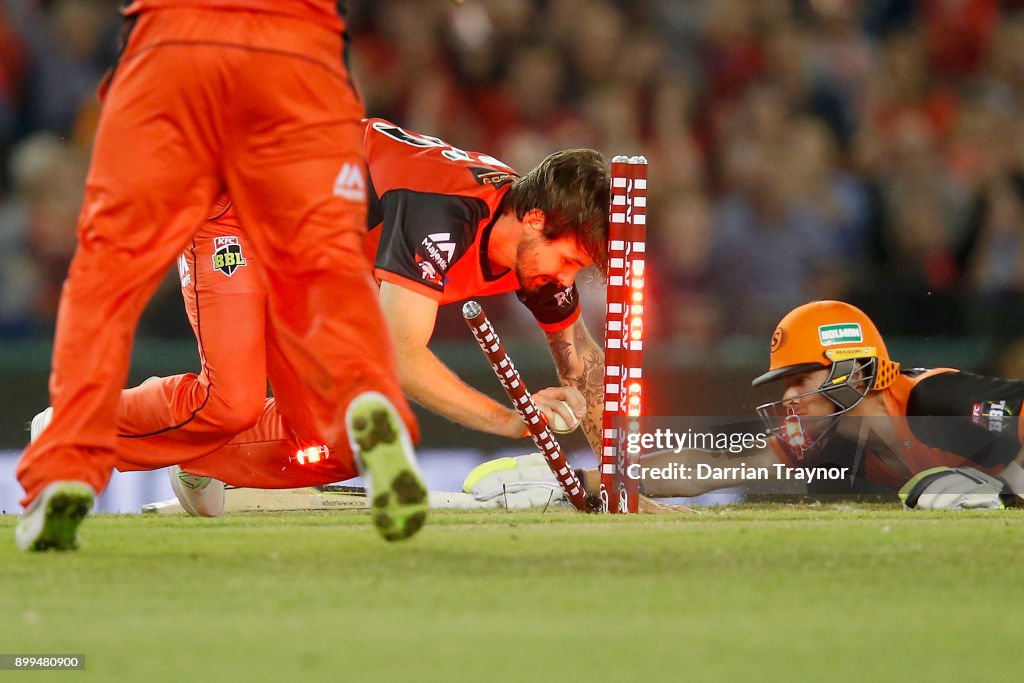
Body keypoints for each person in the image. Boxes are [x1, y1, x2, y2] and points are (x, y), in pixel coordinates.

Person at [33, 118, 611, 518]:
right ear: (534, 219)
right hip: (237, 205)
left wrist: (621, 487)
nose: (566, 279)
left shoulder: (535, 255)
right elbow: (401, 355)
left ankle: (202, 460)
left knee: (334, 446)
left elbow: (580, 360)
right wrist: (511, 421)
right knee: (229, 402)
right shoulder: (443, 208)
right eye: (568, 261)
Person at [17, 2, 428, 551]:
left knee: (330, 443)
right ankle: (78, 434)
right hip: (254, 94)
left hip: (220, 72)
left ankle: (126, 448)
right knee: (239, 390)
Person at [466, 300, 1024, 511]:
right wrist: (590, 481)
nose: (789, 396)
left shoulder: (935, 401)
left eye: (802, 377)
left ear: (857, 369)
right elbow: (713, 468)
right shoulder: (824, 439)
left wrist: (1005, 489)